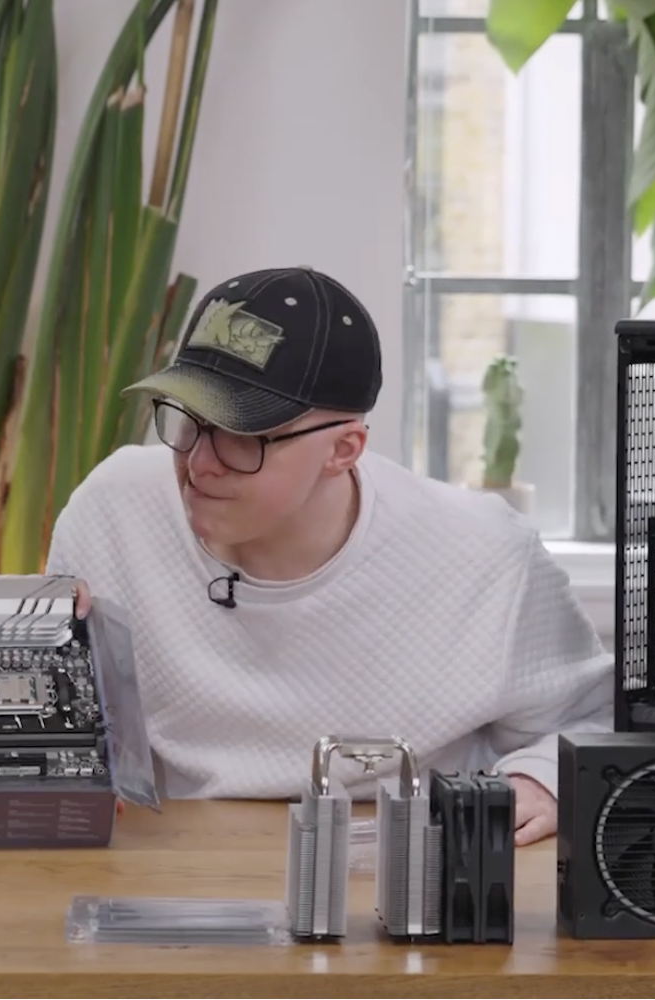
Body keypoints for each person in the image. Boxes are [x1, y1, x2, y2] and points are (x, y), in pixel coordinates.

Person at [47, 265, 611, 845]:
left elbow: (595, 721)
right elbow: (62, 739)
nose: (197, 463)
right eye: (187, 418)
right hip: (178, 866)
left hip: (407, 871)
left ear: (344, 449)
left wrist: (542, 780)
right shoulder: (112, 510)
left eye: (242, 435)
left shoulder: (486, 554)